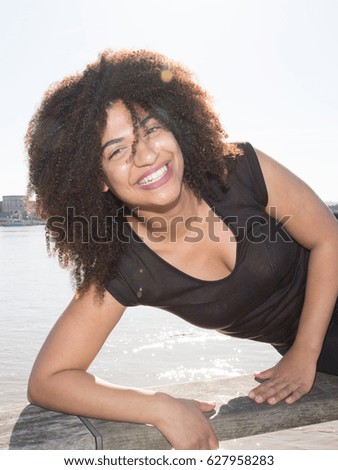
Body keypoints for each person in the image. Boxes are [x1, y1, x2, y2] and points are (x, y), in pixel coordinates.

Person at [26, 49, 338, 450]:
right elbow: (49, 379)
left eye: (152, 129)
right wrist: (158, 406)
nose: (147, 155)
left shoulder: (239, 168)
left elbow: (328, 237)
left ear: (176, 126)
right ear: (96, 178)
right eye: (117, 150)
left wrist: (303, 353)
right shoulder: (124, 265)